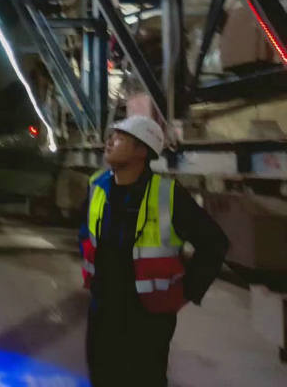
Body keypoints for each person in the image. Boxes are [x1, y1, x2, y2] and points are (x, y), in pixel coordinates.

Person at [79, 116, 229, 387]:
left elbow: (214, 243)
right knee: (101, 377)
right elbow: (86, 235)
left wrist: (187, 292)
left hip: (147, 316)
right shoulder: (97, 185)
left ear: (141, 150)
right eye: (111, 136)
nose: (109, 142)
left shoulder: (168, 195)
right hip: (103, 308)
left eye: (119, 138)